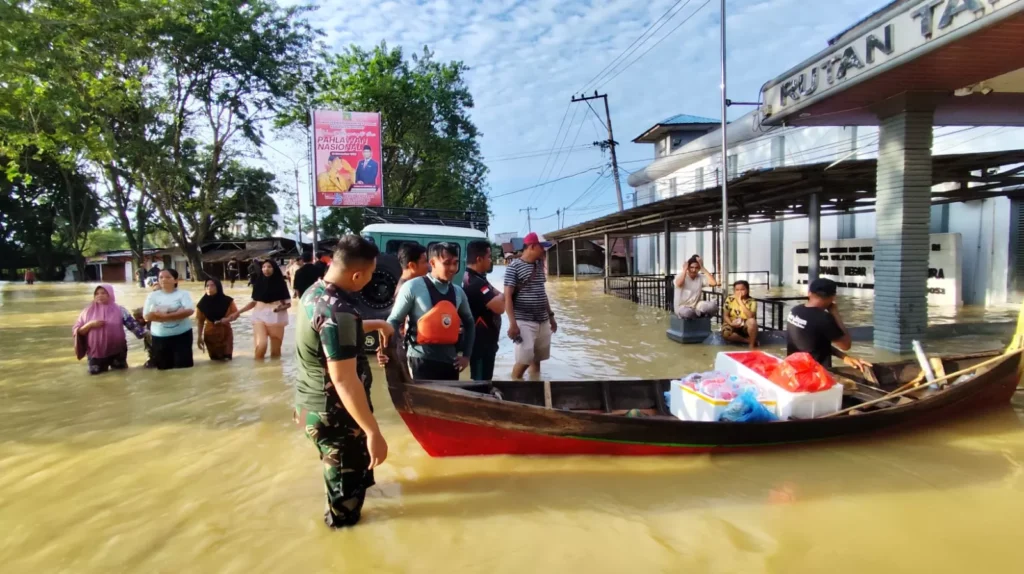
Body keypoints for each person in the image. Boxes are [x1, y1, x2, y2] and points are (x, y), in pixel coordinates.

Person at [294, 234, 393, 528]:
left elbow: (331, 332)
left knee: (346, 479)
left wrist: (378, 324)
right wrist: (373, 432)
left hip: (310, 408)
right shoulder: (339, 310)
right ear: (357, 275)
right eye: (371, 274)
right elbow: (344, 380)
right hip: (337, 420)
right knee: (344, 519)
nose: (371, 280)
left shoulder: (314, 293)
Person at [387, 242, 475, 380]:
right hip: (420, 361)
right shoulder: (412, 287)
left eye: (455, 263)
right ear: (432, 263)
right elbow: (393, 320)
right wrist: (386, 351)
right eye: (447, 263)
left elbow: (470, 323)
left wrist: (466, 356)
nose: (453, 268)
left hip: (451, 363)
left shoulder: (459, 292)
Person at [786, 278, 871, 371]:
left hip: (792, 369)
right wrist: (835, 313)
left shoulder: (795, 311)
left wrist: (844, 357)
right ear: (833, 297)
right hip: (814, 374)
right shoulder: (823, 318)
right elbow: (846, 345)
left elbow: (814, 345)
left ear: (809, 293)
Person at [504, 232, 557, 380]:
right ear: (532, 246)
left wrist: (551, 317)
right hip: (524, 321)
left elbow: (542, 292)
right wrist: (513, 324)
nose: (544, 250)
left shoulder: (539, 265)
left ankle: (535, 384)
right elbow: (507, 297)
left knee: (537, 359)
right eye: (542, 247)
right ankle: (515, 385)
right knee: (523, 361)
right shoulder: (514, 267)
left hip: (542, 320)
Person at [72, 284, 146, 374]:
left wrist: (150, 332)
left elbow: (134, 327)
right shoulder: (86, 312)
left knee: (121, 376)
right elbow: (78, 331)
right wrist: (90, 324)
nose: (100, 295)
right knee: (97, 379)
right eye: (97, 293)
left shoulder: (120, 310)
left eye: (103, 293)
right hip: (96, 353)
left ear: (110, 294)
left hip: (118, 351)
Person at [232, 259, 292, 359]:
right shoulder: (258, 283)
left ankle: (274, 368)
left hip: (276, 318)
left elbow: (288, 304)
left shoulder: (281, 284)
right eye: (264, 267)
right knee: (261, 345)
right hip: (259, 316)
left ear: (274, 269)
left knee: (276, 353)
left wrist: (281, 308)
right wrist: (238, 312)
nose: (266, 269)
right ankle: (257, 366)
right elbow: (253, 302)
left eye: (269, 267)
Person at [464, 240, 505, 381]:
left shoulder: (477, 278)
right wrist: (500, 296)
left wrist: (499, 296)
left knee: (484, 379)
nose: (490, 261)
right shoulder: (475, 283)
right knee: (481, 382)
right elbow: (500, 307)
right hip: (481, 343)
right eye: (489, 257)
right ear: (479, 259)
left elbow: (499, 296)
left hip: (485, 341)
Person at [143, 269, 196, 370]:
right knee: (164, 370)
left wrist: (162, 316)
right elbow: (146, 316)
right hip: (159, 337)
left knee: (184, 369)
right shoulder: (153, 296)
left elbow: (189, 311)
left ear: (175, 280)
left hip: (182, 336)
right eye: (161, 277)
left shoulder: (183, 294)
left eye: (168, 277)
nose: (164, 279)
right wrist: (176, 313)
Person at [196, 278, 238, 361]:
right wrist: (199, 337)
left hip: (225, 333)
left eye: (212, 285)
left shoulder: (228, 301)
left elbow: (236, 314)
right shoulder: (202, 304)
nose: (209, 287)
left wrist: (227, 319)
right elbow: (200, 321)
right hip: (210, 334)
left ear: (218, 287)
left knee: (227, 359)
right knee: (214, 362)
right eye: (207, 285)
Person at [722, 280, 759, 349]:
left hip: (745, 324)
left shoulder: (752, 301)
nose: (740, 292)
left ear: (747, 290)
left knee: (752, 322)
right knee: (726, 334)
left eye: (742, 289)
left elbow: (750, 316)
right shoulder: (730, 299)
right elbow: (725, 315)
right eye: (737, 290)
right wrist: (731, 323)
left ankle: (751, 345)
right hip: (732, 322)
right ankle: (747, 341)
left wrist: (740, 301)